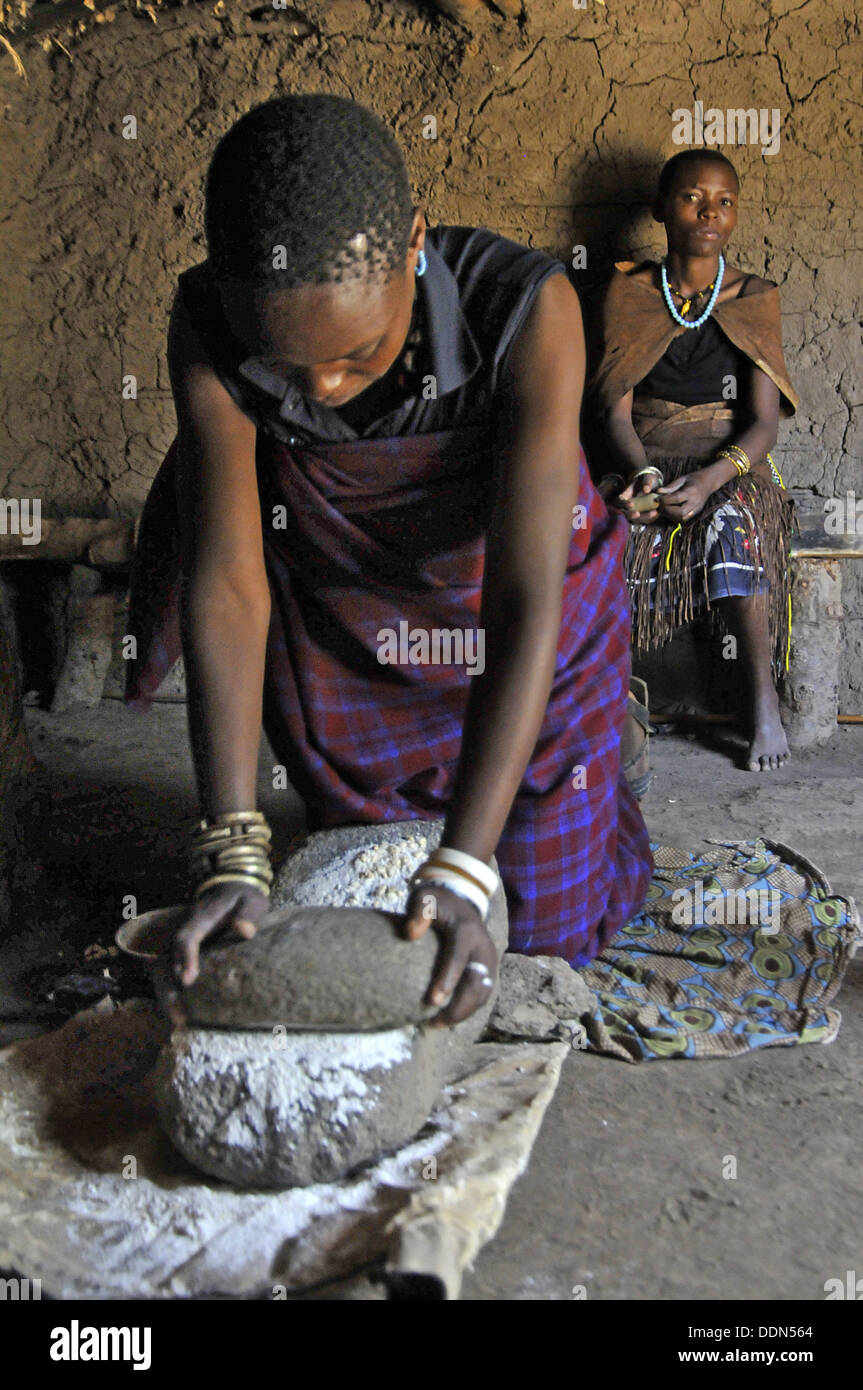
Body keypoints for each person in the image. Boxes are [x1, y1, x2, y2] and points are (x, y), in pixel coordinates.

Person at [125, 94, 653, 1025]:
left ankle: (600, 765)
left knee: (536, 938)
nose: (323, 390)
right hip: (349, 635)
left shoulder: (527, 310)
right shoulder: (206, 321)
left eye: (358, 352)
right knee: (363, 919)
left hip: (525, 622)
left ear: (413, 240)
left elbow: (523, 601)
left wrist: (460, 864)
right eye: (282, 370)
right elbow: (231, 584)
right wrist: (233, 848)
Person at [590, 149, 799, 772]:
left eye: (724, 201)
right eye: (691, 197)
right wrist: (644, 477)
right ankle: (616, 710)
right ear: (661, 210)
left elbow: (763, 423)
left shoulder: (754, 297)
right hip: (646, 456)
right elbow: (615, 415)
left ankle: (762, 703)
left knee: (736, 528)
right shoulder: (629, 294)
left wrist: (710, 480)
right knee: (610, 535)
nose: (709, 212)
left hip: (730, 462)